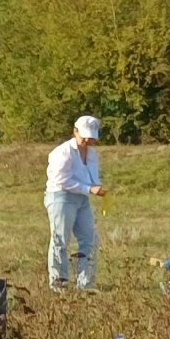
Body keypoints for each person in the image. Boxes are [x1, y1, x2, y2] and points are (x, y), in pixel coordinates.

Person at [45, 115, 103, 290]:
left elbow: (90, 175)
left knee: (89, 238)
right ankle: (58, 283)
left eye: (91, 136)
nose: (87, 139)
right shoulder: (62, 153)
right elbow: (61, 180)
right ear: (74, 131)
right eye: (84, 135)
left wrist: (96, 186)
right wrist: (89, 189)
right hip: (61, 196)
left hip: (82, 198)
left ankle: (84, 284)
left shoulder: (91, 153)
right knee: (60, 239)